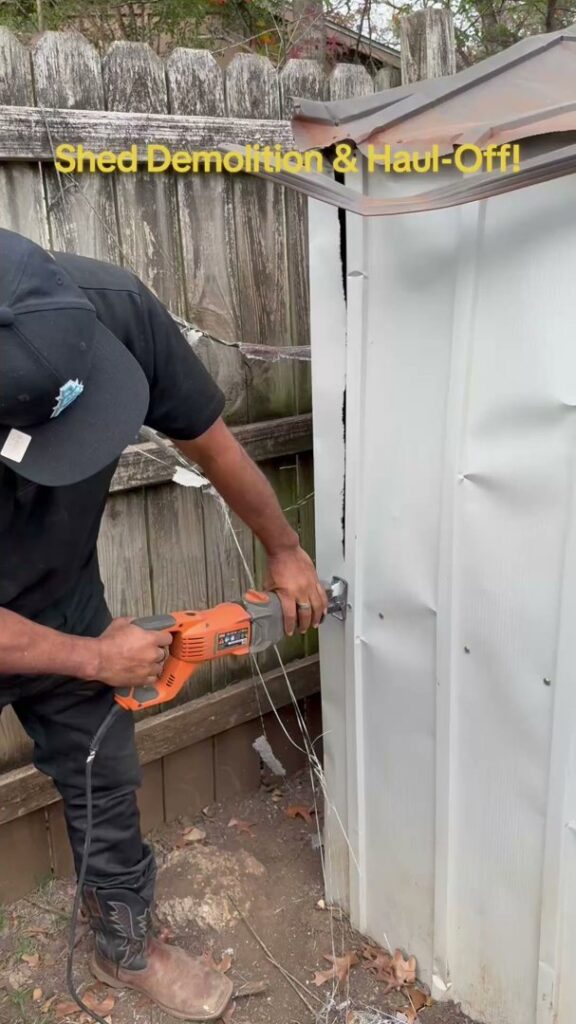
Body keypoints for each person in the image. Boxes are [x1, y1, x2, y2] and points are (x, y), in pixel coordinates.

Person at [0, 228, 327, 1020]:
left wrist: (285, 550)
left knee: (102, 763)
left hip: (60, 590)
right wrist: (92, 657)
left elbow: (211, 447)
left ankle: (122, 940)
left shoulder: (111, 305)